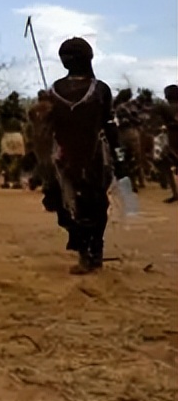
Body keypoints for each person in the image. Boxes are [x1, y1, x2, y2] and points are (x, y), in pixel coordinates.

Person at [39, 38, 121, 274]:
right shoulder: (53, 90)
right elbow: (45, 127)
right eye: (64, 55)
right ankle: (85, 247)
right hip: (62, 160)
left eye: (72, 55)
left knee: (94, 204)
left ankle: (93, 251)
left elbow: (109, 125)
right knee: (63, 206)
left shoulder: (100, 89)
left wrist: (120, 157)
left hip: (94, 158)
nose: (67, 59)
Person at [0, 91, 27, 188]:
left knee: (6, 159)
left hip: (7, 134)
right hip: (17, 135)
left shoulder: (3, 111)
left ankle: (6, 181)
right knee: (18, 159)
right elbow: (25, 121)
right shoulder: (20, 110)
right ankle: (16, 181)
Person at [155, 85, 178, 203]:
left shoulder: (164, 107)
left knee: (167, 165)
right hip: (172, 137)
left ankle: (175, 193)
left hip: (171, 138)